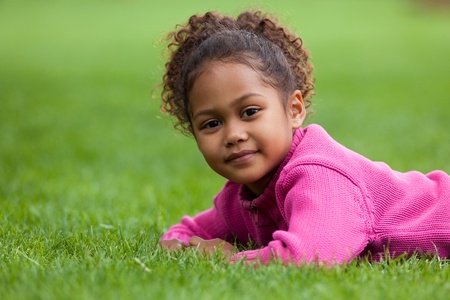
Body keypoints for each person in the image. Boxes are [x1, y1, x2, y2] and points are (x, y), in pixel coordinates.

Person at [157, 10, 450, 265]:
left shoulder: (318, 173)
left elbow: (311, 257)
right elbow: (189, 232)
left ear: (294, 110)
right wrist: (181, 245)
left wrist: (228, 260)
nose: (233, 134)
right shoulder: (241, 195)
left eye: (249, 111)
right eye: (211, 123)